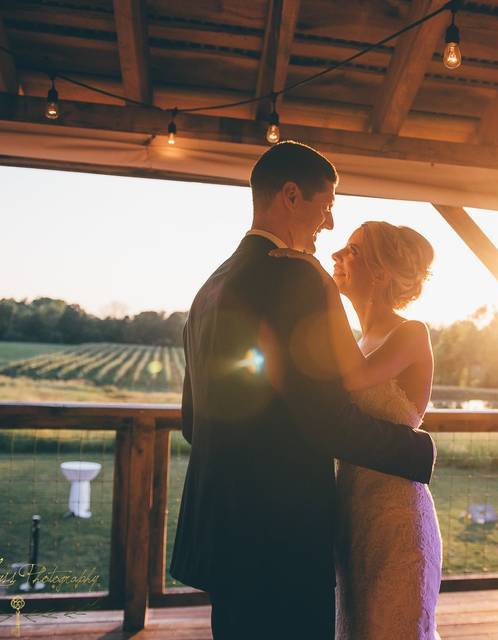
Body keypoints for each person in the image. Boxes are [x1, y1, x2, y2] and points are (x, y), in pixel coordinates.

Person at [169, 141, 437, 639]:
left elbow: (191, 420)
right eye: (327, 205)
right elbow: (324, 417)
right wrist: (417, 449)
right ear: (291, 196)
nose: (330, 223)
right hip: (281, 536)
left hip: (222, 533)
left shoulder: (210, 285)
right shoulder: (296, 277)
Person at [272, 221, 442, 639]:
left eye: (351, 250)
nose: (336, 257)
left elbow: (353, 377)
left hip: (397, 520)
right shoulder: (359, 339)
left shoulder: (411, 333)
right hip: (353, 514)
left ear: (381, 273)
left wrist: (323, 288)